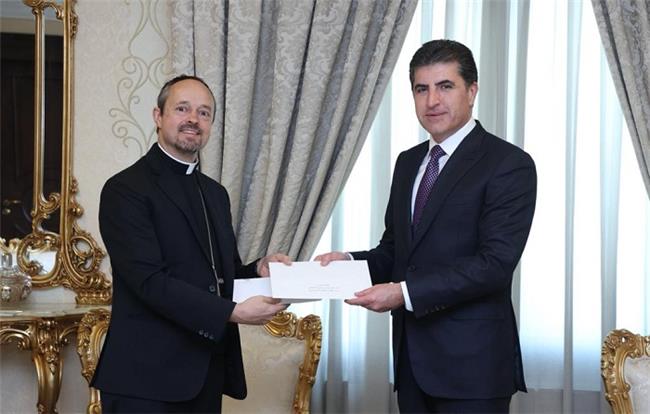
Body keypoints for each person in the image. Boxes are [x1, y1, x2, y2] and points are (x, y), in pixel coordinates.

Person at [316, 39, 536, 413]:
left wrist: (402, 293)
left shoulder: (508, 164)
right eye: (422, 89)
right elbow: (396, 251)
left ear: (472, 91)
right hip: (412, 364)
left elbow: (494, 266)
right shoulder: (408, 163)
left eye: (445, 86)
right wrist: (348, 262)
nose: (432, 100)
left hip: (473, 370)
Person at [94, 75, 290, 413]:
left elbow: (221, 275)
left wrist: (259, 268)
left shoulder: (215, 194)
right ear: (158, 116)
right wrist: (231, 312)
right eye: (182, 109)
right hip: (144, 381)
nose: (193, 120)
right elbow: (149, 282)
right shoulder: (125, 190)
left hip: (205, 373)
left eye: (204, 112)